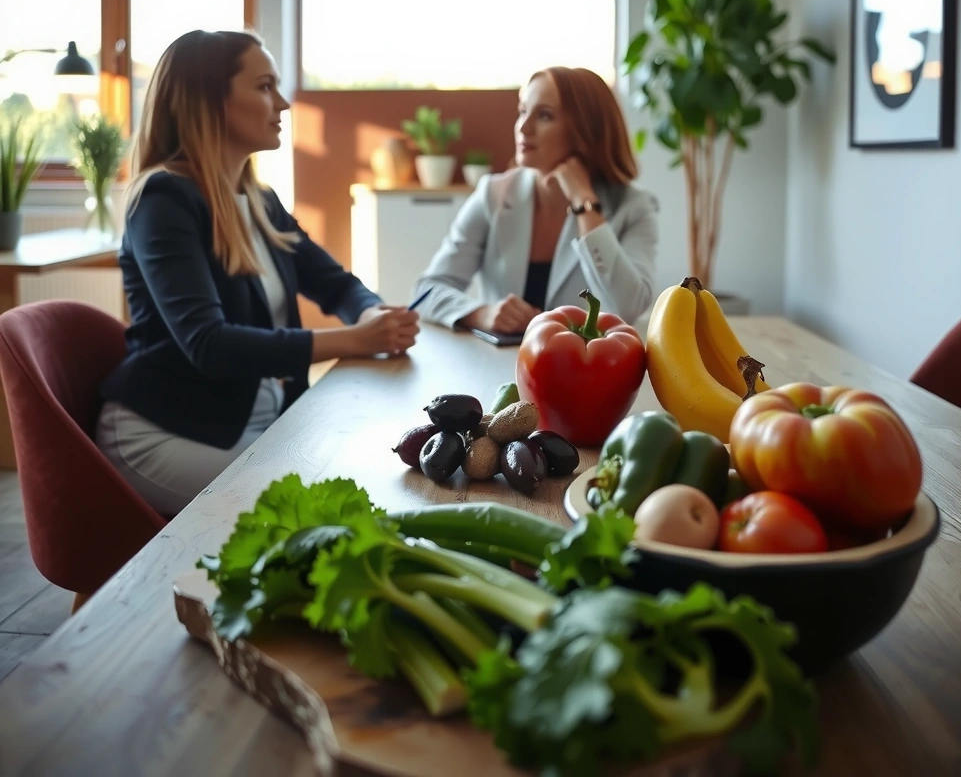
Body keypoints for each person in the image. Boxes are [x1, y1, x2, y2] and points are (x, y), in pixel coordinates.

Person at [96, 29, 419, 516]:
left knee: (363, 484)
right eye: (265, 87)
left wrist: (373, 314)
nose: (283, 103)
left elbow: (334, 284)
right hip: (165, 433)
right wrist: (354, 340)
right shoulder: (162, 201)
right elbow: (209, 344)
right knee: (316, 517)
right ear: (211, 101)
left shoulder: (260, 201)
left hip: (248, 419)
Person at [412, 66, 658, 333]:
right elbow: (427, 291)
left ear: (587, 129)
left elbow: (629, 308)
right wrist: (482, 314)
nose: (523, 127)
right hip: (497, 359)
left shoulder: (634, 207)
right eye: (522, 111)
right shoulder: (493, 195)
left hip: (583, 359)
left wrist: (585, 202)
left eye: (544, 115)